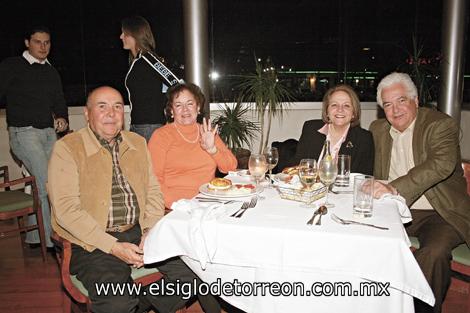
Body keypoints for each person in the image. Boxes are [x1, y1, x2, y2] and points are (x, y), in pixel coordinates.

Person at [48, 86, 221, 313]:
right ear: (87, 113)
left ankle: (136, 303)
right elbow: (66, 210)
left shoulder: (136, 143)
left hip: (138, 231)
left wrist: (149, 232)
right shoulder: (68, 148)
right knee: (117, 301)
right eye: (102, 107)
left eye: (118, 107)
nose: (111, 113)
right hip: (92, 241)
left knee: (193, 273)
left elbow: (153, 192)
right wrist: (113, 247)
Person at [370, 72, 470, 313]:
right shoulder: (378, 129)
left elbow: (440, 164)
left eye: (401, 101)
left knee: (433, 253)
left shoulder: (439, 125)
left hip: (439, 213)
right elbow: (359, 156)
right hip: (393, 209)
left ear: (415, 100)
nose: (395, 110)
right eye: (387, 105)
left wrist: (394, 187)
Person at [0, 26, 68, 248]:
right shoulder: (12, 66)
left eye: (47, 42)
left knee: (49, 182)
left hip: (48, 133)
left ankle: (34, 236)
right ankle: (52, 241)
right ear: (27, 42)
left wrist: (62, 118)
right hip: (23, 133)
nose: (43, 47)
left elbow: (59, 100)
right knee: (46, 182)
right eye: (38, 42)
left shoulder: (51, 71)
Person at [148, 82, 237, 208]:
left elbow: (231, 167)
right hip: (176, 206)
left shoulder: (207, 132)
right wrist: (179, 205)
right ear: (171, 111)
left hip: (209, 201)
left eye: (190, 103)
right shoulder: (161, 136)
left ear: (198, 107)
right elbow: (154, 181)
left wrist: (212, 150)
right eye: (178, 105)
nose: (185, 109)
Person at [120, 15, 181, 142]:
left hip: (149, 128)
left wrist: (162, 105)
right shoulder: (138, 61)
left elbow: (175, 82)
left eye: (124, 33)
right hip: (140, 126)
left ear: (134, 34)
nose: (121, 37)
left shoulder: (148, 59)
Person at [290, 84, 374, 174]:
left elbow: (363, 178)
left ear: (354, 113)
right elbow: (298, 166)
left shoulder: (364, 138)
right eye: (334, 105)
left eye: (346, 105)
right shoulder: (310, 128)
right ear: (327, 111)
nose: (340, 110)